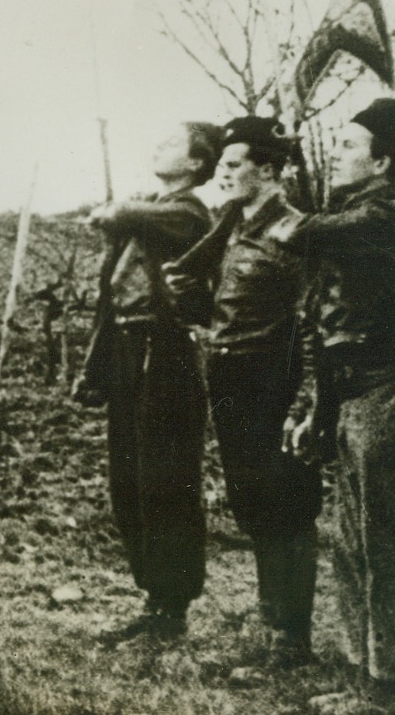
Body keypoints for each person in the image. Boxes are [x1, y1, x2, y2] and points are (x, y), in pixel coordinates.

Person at [269, 99, 395, 714]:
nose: (335, 155)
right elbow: (326, 327)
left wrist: (278, 173)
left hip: (394, 392)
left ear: (383, 162)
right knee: (352, 545)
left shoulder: (385, 216)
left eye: (348, 147)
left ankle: (393, 690)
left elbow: (291, 230)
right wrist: (317, 408)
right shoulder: (353, 212)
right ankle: (362, 678)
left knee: (387, 545)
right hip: (355, 392)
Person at [164, 116, 321, 668]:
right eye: (223, 165)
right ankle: (274, 625)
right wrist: (205, 322)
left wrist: (305, 402)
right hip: (229, 376)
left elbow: (311, 323)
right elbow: (181, 275)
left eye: (234, 166)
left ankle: (291, 639)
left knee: (285, 505)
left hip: (272, 382)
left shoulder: (298, 234)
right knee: (252, 502)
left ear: (271, 172)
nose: (222, 174)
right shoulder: (230, 223)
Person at [79, 121, 222, 643]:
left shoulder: (189, 212)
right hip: (128, 352)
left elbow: (135, 216)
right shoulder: (153, 208)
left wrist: (117, 210)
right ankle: (155, 600)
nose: (157, 144)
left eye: (170, 142)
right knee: (130, 479)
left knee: (165, 480)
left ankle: (172, 608)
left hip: (168, 356)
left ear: (195, 165)